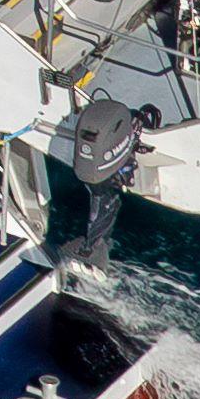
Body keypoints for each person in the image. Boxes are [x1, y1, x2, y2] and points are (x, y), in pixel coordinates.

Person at [65, 91, 142, 269]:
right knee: (103, 201)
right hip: (101, 177)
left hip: (99, 178)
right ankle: (92, 249)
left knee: (101, 202)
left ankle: (92, 248)